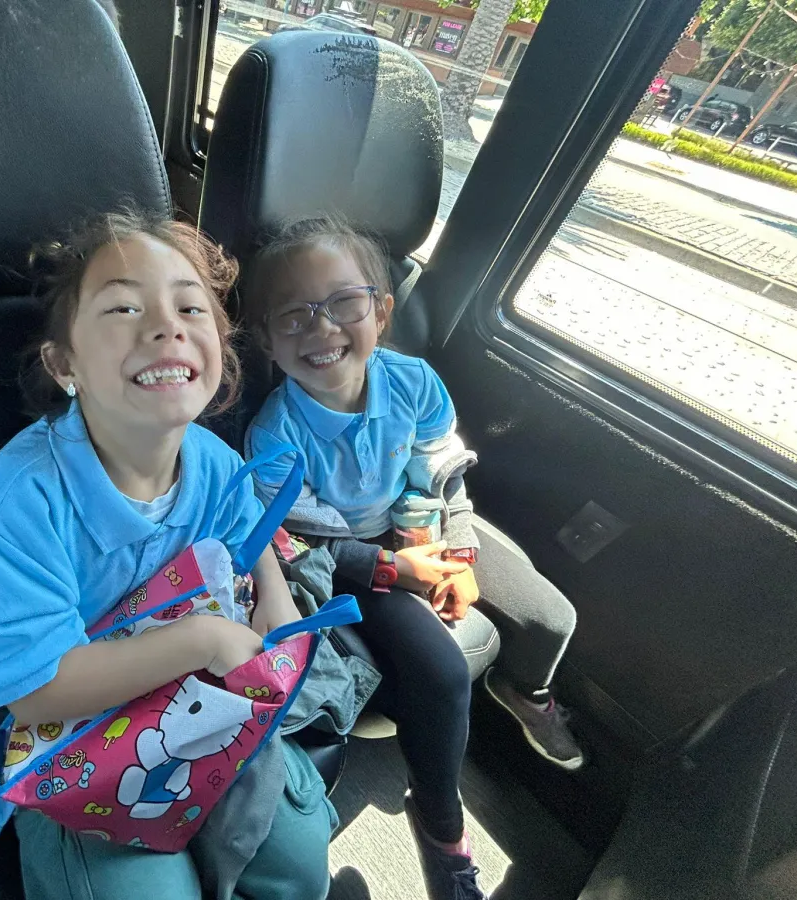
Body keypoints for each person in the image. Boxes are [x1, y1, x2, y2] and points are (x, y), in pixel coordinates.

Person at [0, 212, 335, 900]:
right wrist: (203, 640)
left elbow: (248, 531)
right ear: (64, 365)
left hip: (200, 703)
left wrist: (274, 597)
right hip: (72, 745)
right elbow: (31, 691)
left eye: (190, 307)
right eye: (124, 308)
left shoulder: (211, 461)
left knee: (300, 856)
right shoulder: (15, 508)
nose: (165, 326)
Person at [242, 216, 582, 900]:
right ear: (266, 340)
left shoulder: (414, 382)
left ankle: (525, 690)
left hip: (420, 525)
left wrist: (452, 548)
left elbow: (439, 469)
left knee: (552, 617)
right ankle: (441, 827)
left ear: (382, 311)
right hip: (348, 559)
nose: (322, 329)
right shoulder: (275, 436)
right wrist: (397, 570)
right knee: (444, 669)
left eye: (344, 303)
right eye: (294, 316)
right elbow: (304, 541)